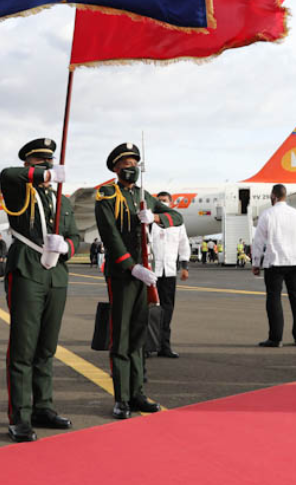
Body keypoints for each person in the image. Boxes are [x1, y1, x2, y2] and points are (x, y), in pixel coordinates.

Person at [0, 138, 82, 441]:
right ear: (28, 164)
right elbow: (7, 175)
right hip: (27, 271)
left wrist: (67, 247)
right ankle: (19, 415)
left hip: (56, 275)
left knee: (46, 347)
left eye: (49, 161)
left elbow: (75, 235)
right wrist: (43, 176)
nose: (45, 165)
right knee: (23, 348)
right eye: (38, 162)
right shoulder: (19, 190)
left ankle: (42, 406)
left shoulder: (63, 199)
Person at [95, 143, 183, 419]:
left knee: (138, 336)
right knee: (120, 338)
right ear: (116, 168)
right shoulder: (107, 194)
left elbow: (177, 217)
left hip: (144, 274)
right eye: (126, 164)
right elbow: (110, 235)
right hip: (123, 274)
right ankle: (121, 398)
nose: (131, 168)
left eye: (135, 163)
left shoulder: (143, 195)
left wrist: (155, 216)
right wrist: (131, 267)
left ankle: (137, 393)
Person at [251, 184, 296, 348]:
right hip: (295, 262)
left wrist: (256, 262)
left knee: (274, 299)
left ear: (273, 196)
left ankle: (276, 338)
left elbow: (258, 241)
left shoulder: (267, 215)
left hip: (275, 262)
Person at [149, 191, 190, 358]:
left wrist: (185, 266)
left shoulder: (178, 224)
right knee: (150, 309)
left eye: (165, 201)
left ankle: (164, 346)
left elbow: (183, 245)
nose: (162, 203)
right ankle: (147, 345)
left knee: (167, 310)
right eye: (159, 201)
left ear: (171, 203)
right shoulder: (150, 223)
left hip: (169, 272)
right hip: (152, 273)